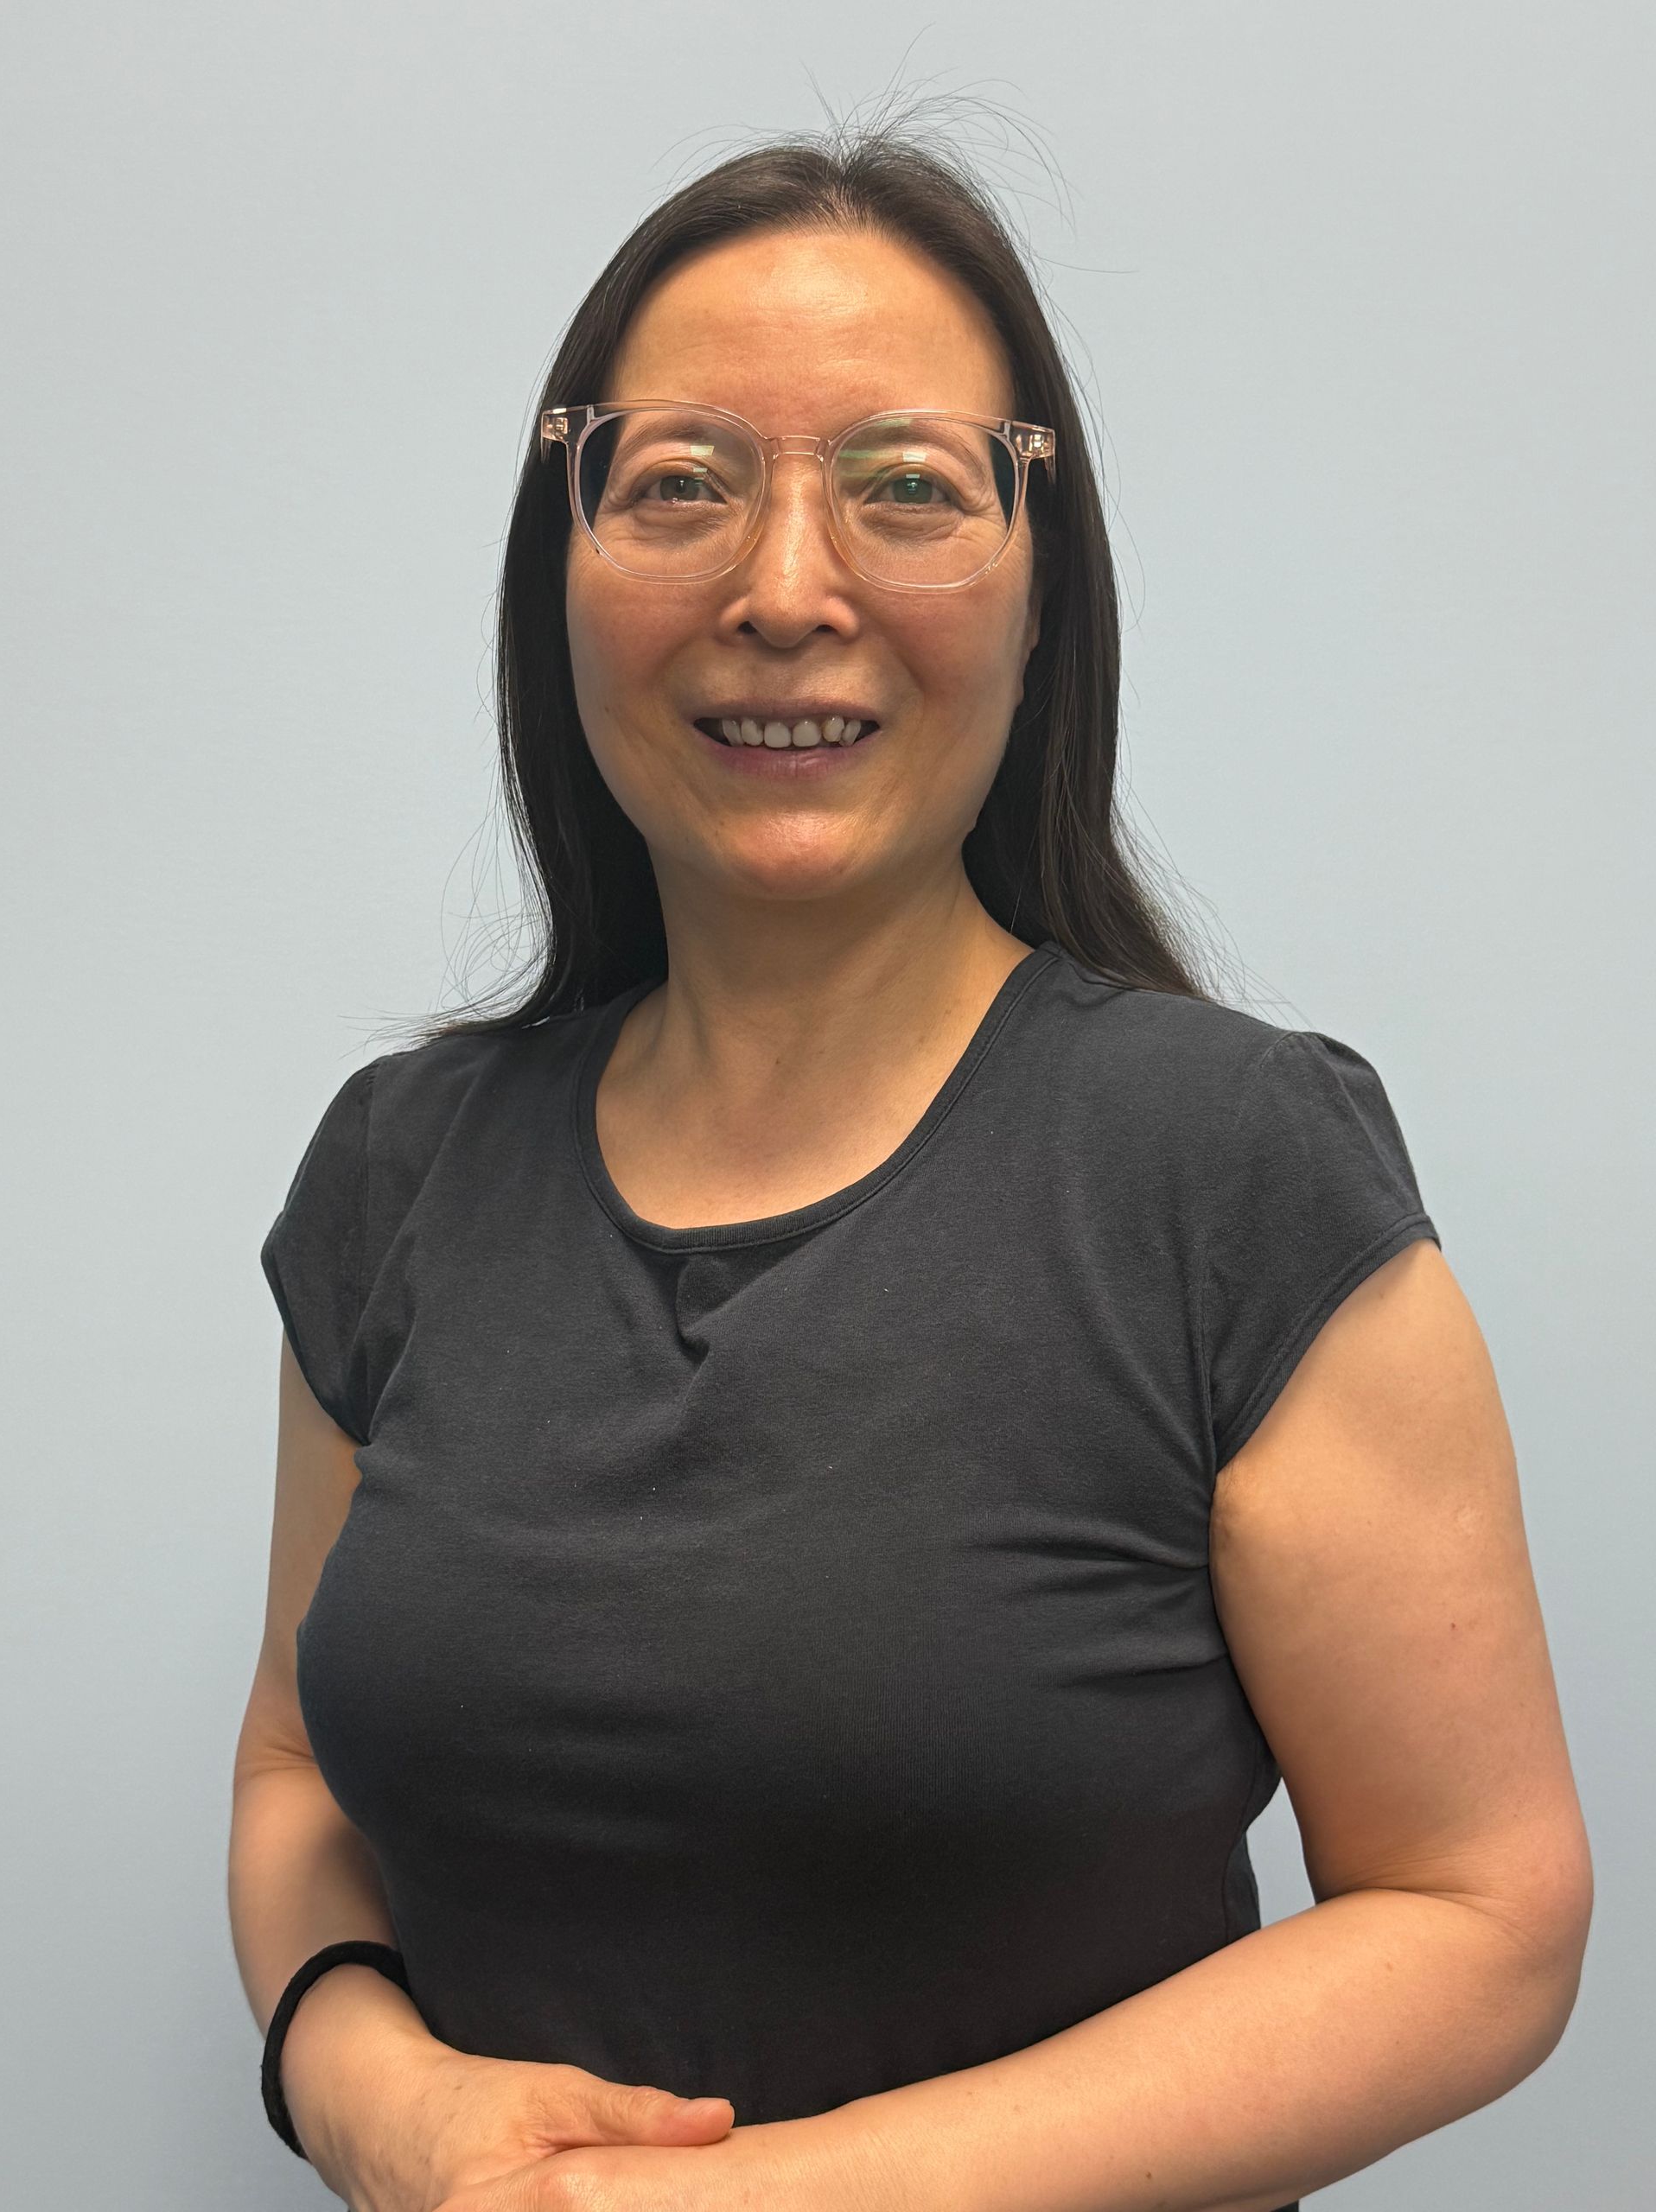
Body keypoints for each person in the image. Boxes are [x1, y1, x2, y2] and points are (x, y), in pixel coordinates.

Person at [229, 125, 1592, 2212]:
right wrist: (368, 2090)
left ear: (1044, 599)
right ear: (559, 573)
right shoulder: (395, 1175)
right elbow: (295, 1769)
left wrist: (765, 2194)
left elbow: (1479, 1911)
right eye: (681, 483)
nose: (787, 588)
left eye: (908, 488)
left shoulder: (1233, 1173)